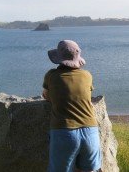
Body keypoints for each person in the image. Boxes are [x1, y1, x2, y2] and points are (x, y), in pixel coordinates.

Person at [42, 40, 101, 172]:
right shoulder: (87, 76)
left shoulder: (51, 76)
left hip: (64, 131)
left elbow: (46, 95)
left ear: (58, 59)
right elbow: (86, 95)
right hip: (90, 131)